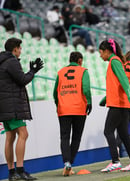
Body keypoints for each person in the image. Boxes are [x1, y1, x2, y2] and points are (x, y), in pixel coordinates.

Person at [0, 37, 44, 180]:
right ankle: (20, 170)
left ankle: (12, 172)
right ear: (15, 49)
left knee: (10, 137)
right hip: (12, 106)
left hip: (3, 106)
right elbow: (23, 80)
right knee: (23, 134)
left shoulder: (1, 61)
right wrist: (32, 71)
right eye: (20, 48)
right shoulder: (11, 61)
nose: (21, 51)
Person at [98, 39, 130, 172]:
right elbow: (117, 85)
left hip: (118, 104)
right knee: (123, 134)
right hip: (121, 103)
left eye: (101, 52)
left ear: (107, 51)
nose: (100, 56)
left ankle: (115, 161)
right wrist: (106, 98)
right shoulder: (115, 61)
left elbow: (124, 81)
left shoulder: (114, 61)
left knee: (108, 131)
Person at [53, 51, 92, 176]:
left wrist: (58, 104)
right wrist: (89, 102)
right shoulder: (83, 71)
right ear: (80, 60)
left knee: (64, 137)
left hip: (63, 109)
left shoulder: (60, 72)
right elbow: (86, 88)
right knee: (76, 137)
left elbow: (55, 92)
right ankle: (71, 163)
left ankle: (66, 164)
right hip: (79, 108)